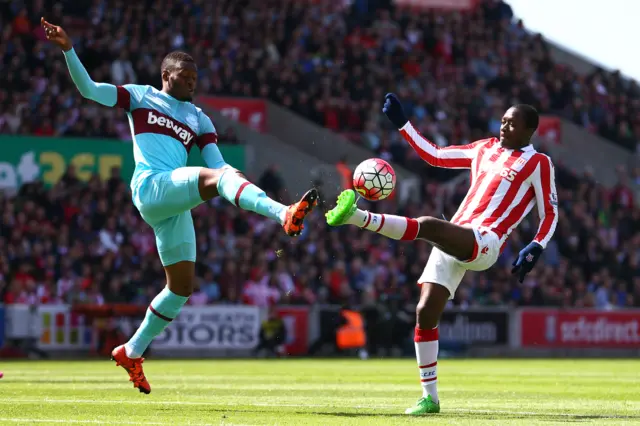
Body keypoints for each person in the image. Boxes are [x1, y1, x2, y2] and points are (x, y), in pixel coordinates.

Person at [42, 18, 318, 394]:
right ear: (167, 74)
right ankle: (282, 213)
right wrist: (68, 49)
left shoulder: (198, 117)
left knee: (181, 288)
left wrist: (229, 175)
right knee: (215, 182)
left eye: (195, 77)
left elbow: (218, 165)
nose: (192, 82)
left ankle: (132, 350)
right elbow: (89, 90)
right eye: (186, 76)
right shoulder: (140, 96)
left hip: (172, 200)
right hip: (151, 185)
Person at [325, 93, 558, 415]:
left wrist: (536, 245)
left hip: (486, 241)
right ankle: (430, 398)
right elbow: (435, 156)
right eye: (503, 120)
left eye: (512, 123)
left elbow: (550, 213)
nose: (504, 126)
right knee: (425, 312)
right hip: (457, 235)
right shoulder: (485, 148)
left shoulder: (538, 163)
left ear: (529, 131)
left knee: (429, 225)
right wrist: (403, 125)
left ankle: (356, 217)